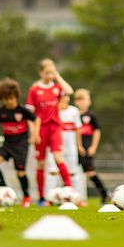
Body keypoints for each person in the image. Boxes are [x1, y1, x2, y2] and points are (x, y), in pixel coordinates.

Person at [0, 77, 38, 208]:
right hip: (7, 145)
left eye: (11, 98)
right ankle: (4, 191)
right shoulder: (1, 112)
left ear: (16, 97)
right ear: (1, 98)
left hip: (21, 146)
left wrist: (35, 135)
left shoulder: (22, 111)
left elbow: (37, 120)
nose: (9, 101)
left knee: (20, 172)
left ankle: (26, 197)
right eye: (6, 99)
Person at [26, 58, 74, 206]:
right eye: (47, 73)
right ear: (41, 73)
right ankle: (41, 197)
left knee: (58, 157)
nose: (50, 76)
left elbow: (70, 91)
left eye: (52, 73)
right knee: (40, 163)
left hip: (55, 127)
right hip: (41, 129)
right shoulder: (34, 90)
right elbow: (30, 114)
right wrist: (33, 132)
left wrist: (58, 76)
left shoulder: (57, 88)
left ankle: (70, 191)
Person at [74, 89, 109, 203]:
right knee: (73, 172)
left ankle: (104, 193)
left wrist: (93, 146)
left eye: (85, 99)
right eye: (80, 100)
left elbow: (97, 131)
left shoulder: (91, 116)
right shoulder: (73, 115)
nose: (83, 102)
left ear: (89, 102)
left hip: (87, 147)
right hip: (75, 148)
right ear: (76, 102)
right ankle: (73, 196)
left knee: (90, 172)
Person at [56, 94, 82, 192]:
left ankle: (76, 196)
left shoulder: (74, 111)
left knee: (73, 171)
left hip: (71, 146)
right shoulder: (55, 110)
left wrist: (79, 145)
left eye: (66, 96)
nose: (65, 99)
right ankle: (52, 196)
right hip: (57, 146)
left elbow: (78, 129)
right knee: (54, 172)